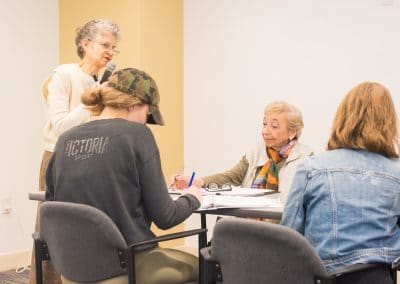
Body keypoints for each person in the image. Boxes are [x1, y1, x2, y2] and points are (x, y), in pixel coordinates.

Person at [45, 68, 203, 284]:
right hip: (128, 262)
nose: (146, 122)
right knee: (211, 266)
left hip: (73, 268)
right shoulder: (138, 135)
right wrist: (193, 196)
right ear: (133, 104)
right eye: (148, 114)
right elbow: (166, 217)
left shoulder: (65, 140)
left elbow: (53, 202)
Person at [30, 19, 121, 284]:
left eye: (114, 48)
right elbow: (60, 126)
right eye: (105, 45)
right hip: (59, 160)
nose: (110, 52)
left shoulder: (100, 81)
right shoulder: (64, 74)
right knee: (52, 230)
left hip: (92, 161)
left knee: (85, 229)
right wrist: (94, 99)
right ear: (85, 43)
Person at [281, 82, 400, 280]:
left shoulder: (311, 168)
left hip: (321, 277)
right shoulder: (396, 172)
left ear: (343, 118)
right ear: (388, 123)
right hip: (377, 278)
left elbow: (287, 239)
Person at [171, 101, 313, 204]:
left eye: (274, 126)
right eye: (264, 123)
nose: (265, 130)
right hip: (250, 220)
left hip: (283, 227)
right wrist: (195, 182)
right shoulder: (257, 150)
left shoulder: (306, 159)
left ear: (292, 132)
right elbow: (232, 177)